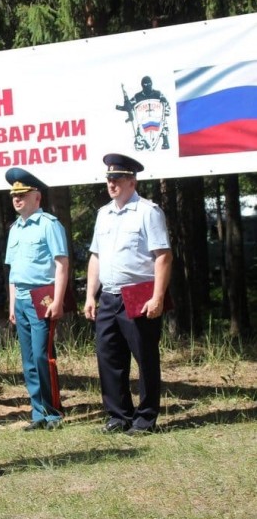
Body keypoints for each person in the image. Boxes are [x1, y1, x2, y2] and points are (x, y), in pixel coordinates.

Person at [84, 154, 172, 435]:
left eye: (117, 179)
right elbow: (96, 256)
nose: (112, 184)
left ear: (132, 182)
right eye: (109, 179)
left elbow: (163, 256)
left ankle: (145, 418)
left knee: (145, 357)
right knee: (108, 357)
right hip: (108, 295)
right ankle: (119, 415)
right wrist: (90, 296)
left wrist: (157, 297)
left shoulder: (148, 211)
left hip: (138, 294)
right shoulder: (103, 213)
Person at [4, 168, 69, 431]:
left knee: (43, 356)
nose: (17, 199)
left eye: (22, 194)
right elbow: (12, 271)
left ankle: (53, 413)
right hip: (20, 298)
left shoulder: (49, 224)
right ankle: (38, 413)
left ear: (37, 197)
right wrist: (12, 304)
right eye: (14, 195)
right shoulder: (15, 229)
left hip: (42, 296)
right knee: (29, 359)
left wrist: (58, 300)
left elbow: (61, 264)